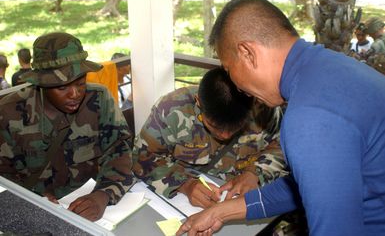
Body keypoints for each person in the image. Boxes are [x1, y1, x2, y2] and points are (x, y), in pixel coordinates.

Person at [177, 0, 385, 236]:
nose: (235, 85)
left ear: (247, 53)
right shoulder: (331, 67)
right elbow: (314, 185)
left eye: (228, 69)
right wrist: (219, 212)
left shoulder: (310, 118)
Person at [0, 32, 134, 222]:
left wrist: (103, 195)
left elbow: (119, 152)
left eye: (81, 83)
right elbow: (3, 176)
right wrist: (28, 200)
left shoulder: (99, 99)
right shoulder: (8, 112)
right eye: (62, 87)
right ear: (41, 83)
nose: (75, 94)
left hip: (88, 201)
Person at [132, 67, 287, 208]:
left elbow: (282, 145)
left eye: (236, 128)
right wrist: (184, 185)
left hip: (245, 203)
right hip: (186, 204)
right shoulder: (171, 109)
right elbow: (143, 158)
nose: (225, 135)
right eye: (215, 126)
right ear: (198, 102)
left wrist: (255, 173)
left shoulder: (263, 109)